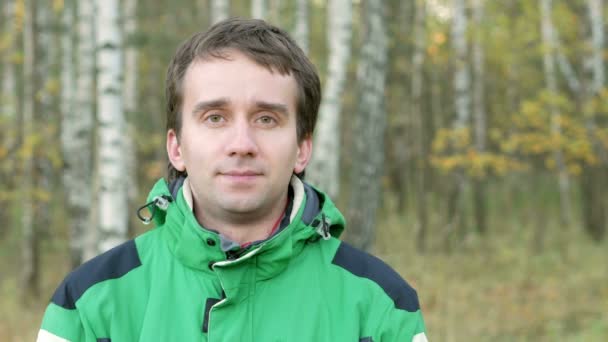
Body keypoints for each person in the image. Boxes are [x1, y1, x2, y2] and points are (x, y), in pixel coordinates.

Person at [37, 18, 428, 341]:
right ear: (177, 148)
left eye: (266, 119)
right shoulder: (88, 306)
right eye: (215, 118)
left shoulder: (379, 307)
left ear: (302, 148)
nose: (241, 144)